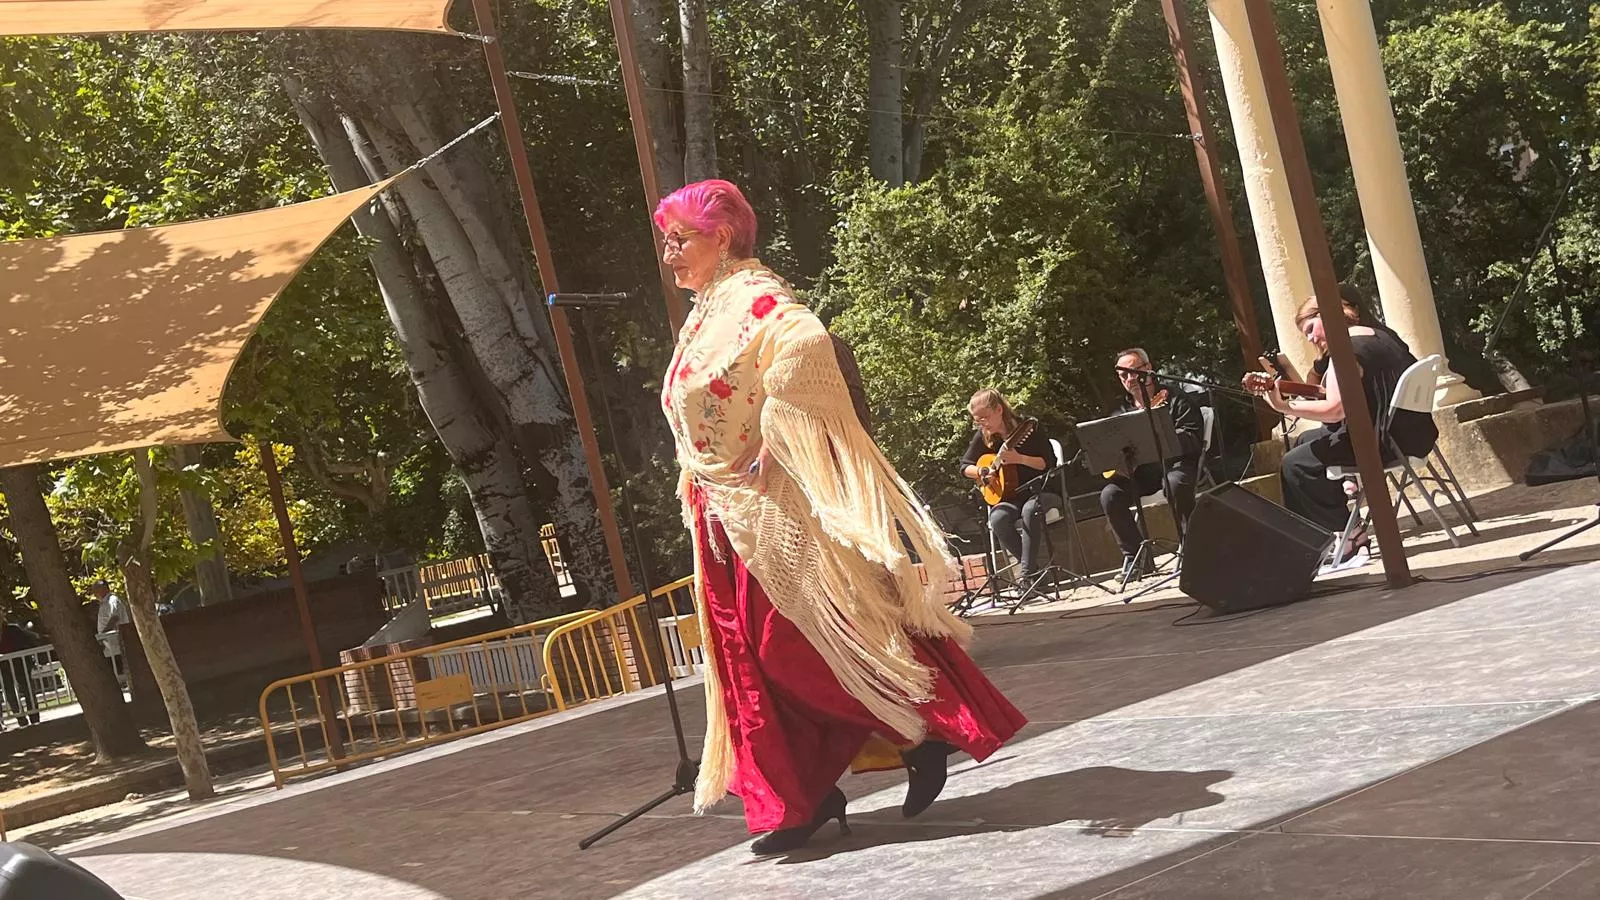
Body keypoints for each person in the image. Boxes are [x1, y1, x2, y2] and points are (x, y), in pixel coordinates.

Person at [656, 179, 1026, 855]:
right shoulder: (706, 310)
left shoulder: (758, 298)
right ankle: (799, 802)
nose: (670, 254)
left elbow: (806, 344)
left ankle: (922, 732)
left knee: (789, 649)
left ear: (723, 236)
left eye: (679, 240)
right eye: (667, 241)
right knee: (750, 669)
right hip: (721, 517)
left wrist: (778, 431)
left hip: (771, 513)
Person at [1247, 289, 1438, 564]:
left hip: (1380, 443)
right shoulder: (1382, 335)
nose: (1311, 338)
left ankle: (1349, 538)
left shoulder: (1345, 352)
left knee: (1295, 463)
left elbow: (1335, 411)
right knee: (1305, 443)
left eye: (1311, 328)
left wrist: (1282, 406)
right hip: (1411, 434)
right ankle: (1339, 520)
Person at [1099, 348, 1205, 579]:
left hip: (1176, 465)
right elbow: (1110, 451)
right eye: (1123, 375)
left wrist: (1160, 434)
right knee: (1110, 494)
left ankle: (1193, 546)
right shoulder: (1121, 412)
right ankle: (1137, 557)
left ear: (1148, 369)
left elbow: (1193, 439)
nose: (1129, 379)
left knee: (1175, 483)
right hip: (1143, 474)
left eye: (1133, 372)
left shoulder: (1176, 399)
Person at [960, 389, 1061, 582]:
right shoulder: (984, 436)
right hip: (1011, 497)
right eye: (976, 420)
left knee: (1031, 510)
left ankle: (1026, 576)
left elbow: (1049, 463)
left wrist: (1020, 459)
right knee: (998, 518)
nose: (981, 423)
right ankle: (1035, 573)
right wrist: (982, 472)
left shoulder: (1029, 427)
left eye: (984, 417)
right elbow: (964, 467)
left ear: (999, 409)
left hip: (1040, 491)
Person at [0, 611, 41, 729]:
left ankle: (34, 718)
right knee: (9, 693)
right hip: (3, 668)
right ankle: (21, 719)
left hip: (20, 664)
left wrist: (31, 661)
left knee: (28, 689)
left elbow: (27, 644)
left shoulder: (13, 630)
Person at [92, 580, 129, 677]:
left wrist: (102, 636)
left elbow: (114, 618)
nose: (94, 593)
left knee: (121, 673)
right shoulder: (104, 603)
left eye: (96, 589)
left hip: (116, 644)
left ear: (103, 588)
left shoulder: (112, 600)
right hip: (109, 646)